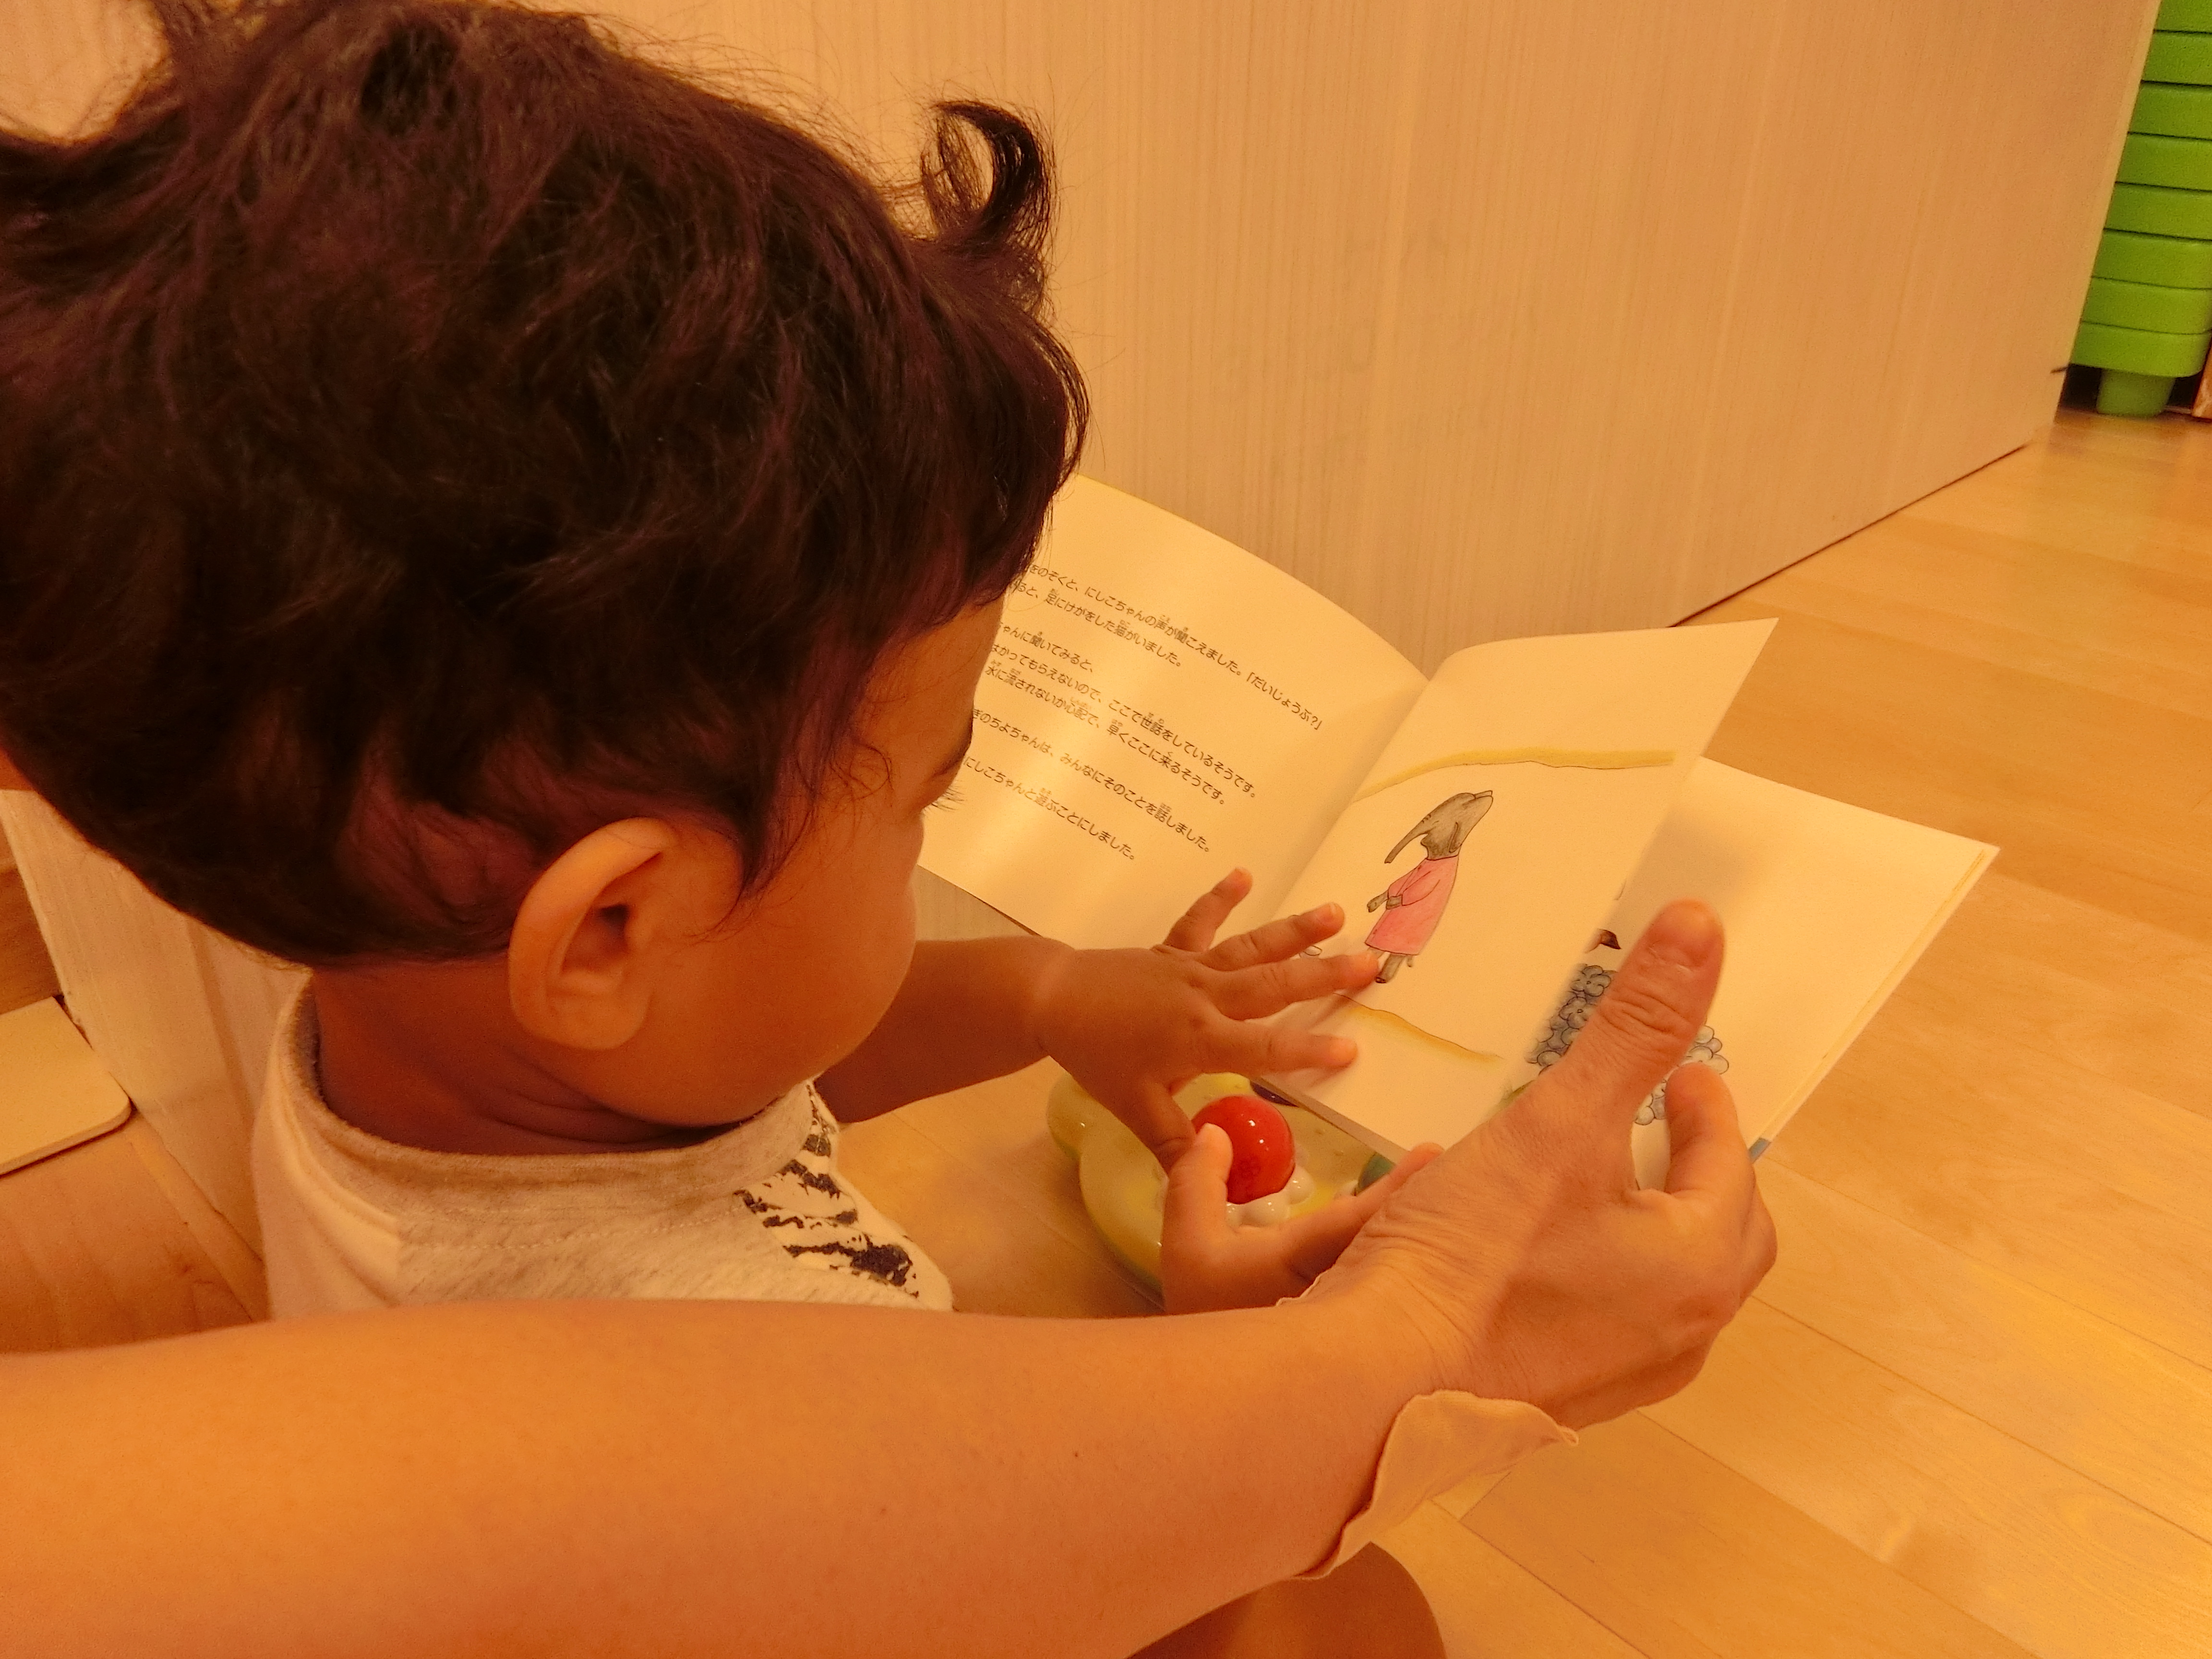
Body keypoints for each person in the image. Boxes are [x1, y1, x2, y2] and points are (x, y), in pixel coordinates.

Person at [0, 2, 1774, 1652]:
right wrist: (1291, 1427)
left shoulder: (415, 1041)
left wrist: (1053, 998)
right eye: (925, 795)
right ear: (611, 926)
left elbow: (746, 1065)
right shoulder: (734, 1389)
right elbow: (1095, 1594)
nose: (931, 833)